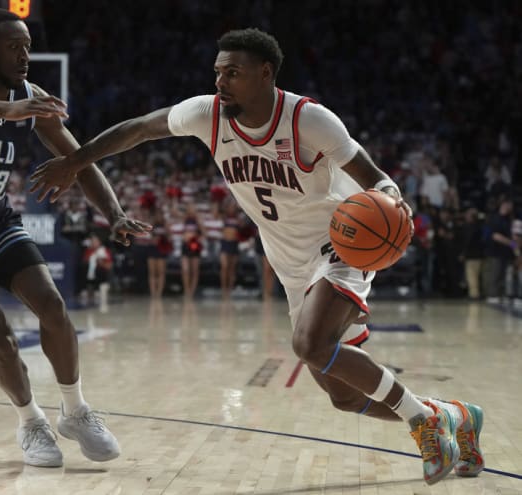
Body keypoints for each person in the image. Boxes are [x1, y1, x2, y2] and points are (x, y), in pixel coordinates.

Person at [30, 28, 484, 484]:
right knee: (342, 397)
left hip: (343, 243)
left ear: (265, 74)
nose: (221, 81)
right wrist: (76, 161)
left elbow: (375, 177)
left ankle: (421, 422)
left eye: (233, 72)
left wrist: (390, 198)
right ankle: (452, 415)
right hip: (289, 261)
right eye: (218, 72)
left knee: (309, 345)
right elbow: (138, 130)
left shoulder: (309, 119)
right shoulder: (207, 114)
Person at [0, 8, 151, 468]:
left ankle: (75, 410)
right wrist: (5, 110)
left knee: (53, 306)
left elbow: (78, 159)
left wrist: (113, 214)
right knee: (2, 339)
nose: (25, 56)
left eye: (28, 46)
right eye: (14, 46)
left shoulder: (30, 97)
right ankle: (29, 420)